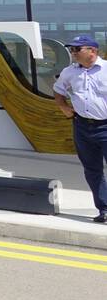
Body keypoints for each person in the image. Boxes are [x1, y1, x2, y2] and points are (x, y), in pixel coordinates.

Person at [53, 35, 107, 223]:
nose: (73, 53)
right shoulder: (70, 72)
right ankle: (104, 209)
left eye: (77, 49)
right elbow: (58, 90)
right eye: (71, 50)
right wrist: (65, 108)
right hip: (82, 127)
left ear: (92, 51)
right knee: (92, 170)